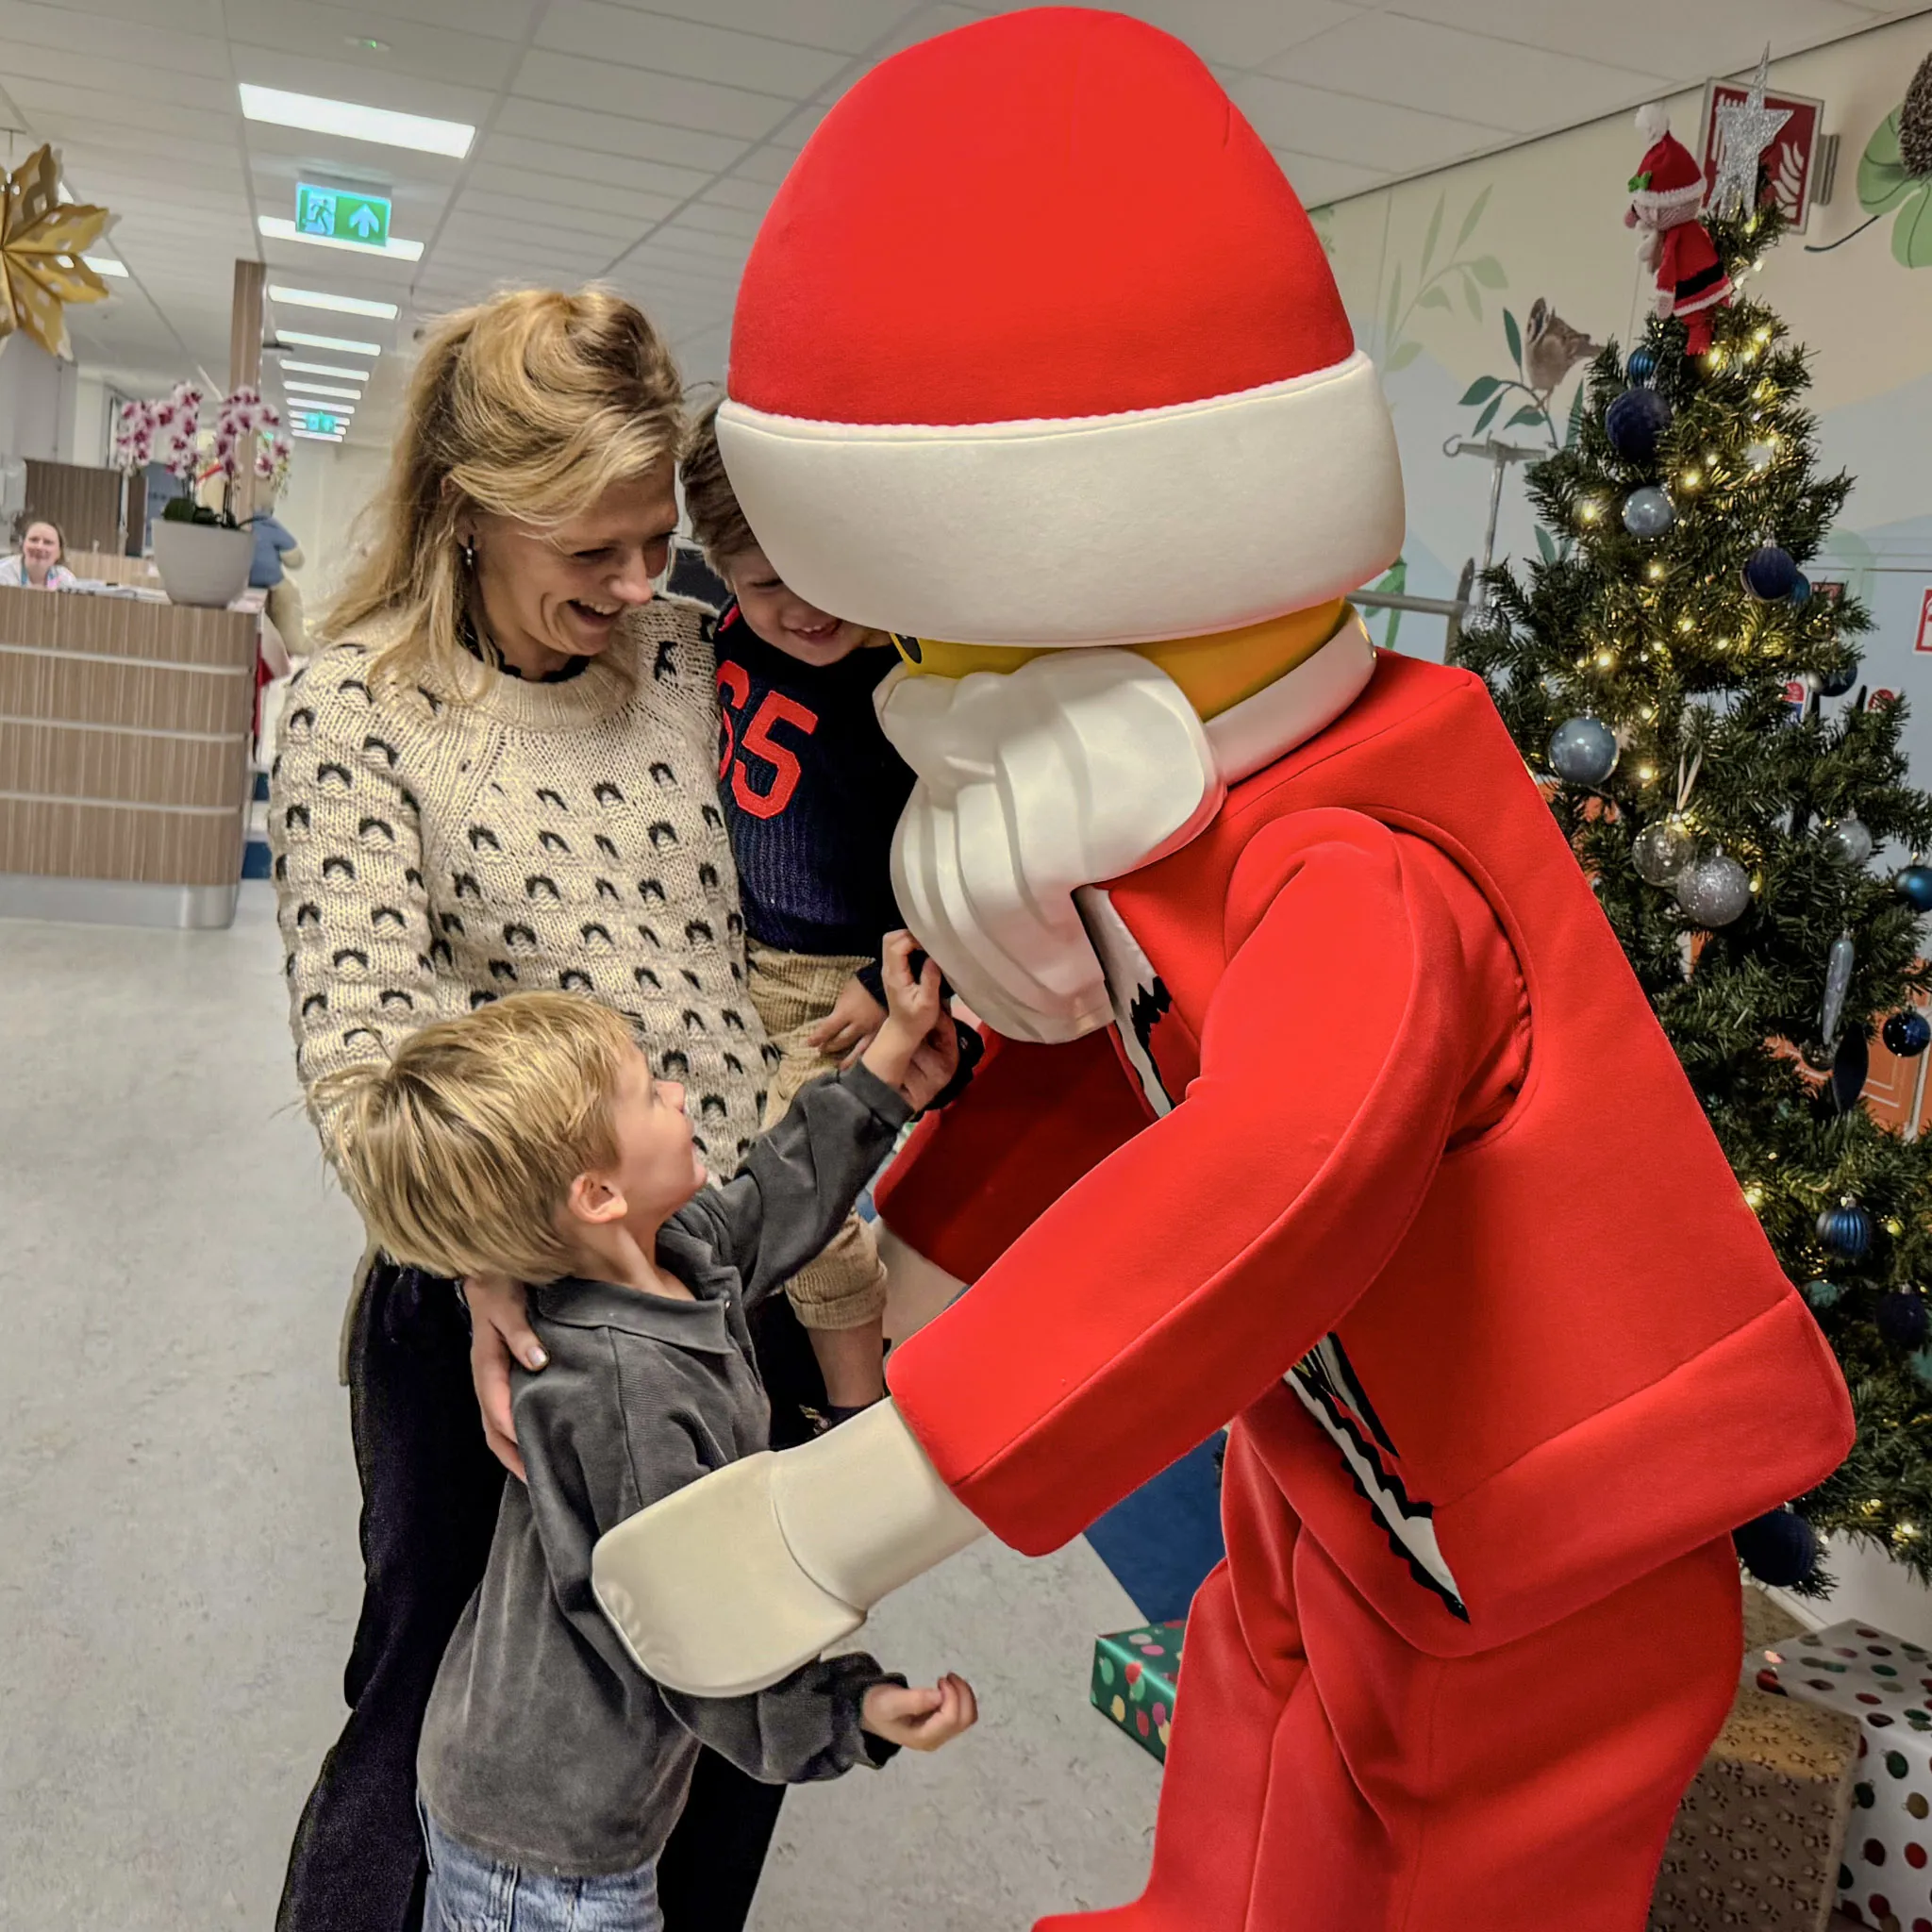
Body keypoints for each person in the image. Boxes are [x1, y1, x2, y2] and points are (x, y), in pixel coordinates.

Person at [591, 16, 1857, 1932]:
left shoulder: (1354, 854)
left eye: (939, 622)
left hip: (1535, 1541)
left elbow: (1275, 1167)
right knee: (1253, 1731)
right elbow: (1114, 1065)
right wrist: (907, 1283)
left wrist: (860, 1501)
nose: (918, 680)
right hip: (1337, 1465)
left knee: (1429, 1851)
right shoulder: (1174, 802)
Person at [268, 287, 821, 1932]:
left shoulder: (699, 661)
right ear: (469, 505)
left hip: (741, 1289)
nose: (640, 582)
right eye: (595, 547)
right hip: (509, 1323)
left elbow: (795, 909)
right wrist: (497, 1262)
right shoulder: (358, 707)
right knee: (436, 1722)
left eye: (657, 536)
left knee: (723, 1735)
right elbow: (366, 1056)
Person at [313, 941, 974, 1932]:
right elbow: (693, 1624)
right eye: (645, 1090)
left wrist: (879, 1079)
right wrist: (846, 1712)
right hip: (546, 1847)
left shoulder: (667, 1254)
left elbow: (770, 1201)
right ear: (595, 1196)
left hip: (548, 1789)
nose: (676, 1086)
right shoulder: (618, 1390)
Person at [680, 401, 912, 1418]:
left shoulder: (912, 680)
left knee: (800, 1198)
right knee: (727, 1185)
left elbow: (969, 857)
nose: (804, 607)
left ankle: (858, 1410)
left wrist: (884, 981)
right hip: (731, 962)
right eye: (768, 581)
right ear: (723, 571)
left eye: (826, 574)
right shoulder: (717, 638)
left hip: (836, 983)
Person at [248, 494, 308, 658]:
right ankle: (294, 644)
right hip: (274, 584)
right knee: (288, 599)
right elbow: (294, 558)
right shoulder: (268, 525)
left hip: (239, 586)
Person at [0, 517, 77, 590]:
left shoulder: (65, 578)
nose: (39, 547)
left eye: (48, 542)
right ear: (23, 545)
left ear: (59, 552)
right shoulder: (3, 573)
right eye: (33, 540)